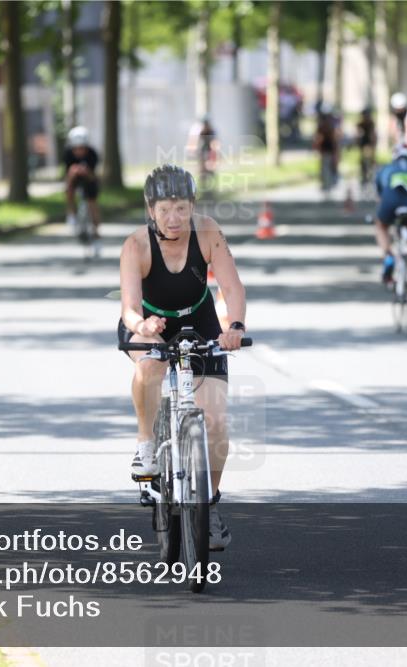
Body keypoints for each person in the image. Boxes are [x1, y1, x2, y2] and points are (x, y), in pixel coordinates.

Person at [118, 164, 247, 551]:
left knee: (217, 421)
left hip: (199, 320)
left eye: (181, 208)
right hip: (150, 322)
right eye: (164, 210)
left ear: (192, 206)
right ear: (150, 209)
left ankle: (210, 504)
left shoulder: (208, 232)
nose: (173, 218)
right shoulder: (136, 246)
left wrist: (234, 326)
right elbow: (129, 309)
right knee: (150, 365)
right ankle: (146, 444)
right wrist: (143, 325)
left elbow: (232, 287)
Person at [373, 143, 407, 322]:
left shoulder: (386, 170)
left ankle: (388, 255)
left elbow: (380, 196)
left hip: (391, 203)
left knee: (380, 225)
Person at [63, 126, 102, 253]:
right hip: (74, 179)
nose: (79, 151)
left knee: (92, 202)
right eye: (76, 148)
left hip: (89, 178)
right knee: (68, 189)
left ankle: (96, 234)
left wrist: (86, 172)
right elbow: (67, 174)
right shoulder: (67, 154)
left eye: (82, 148)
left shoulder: (92, 154)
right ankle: (71, 214)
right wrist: (73, 172)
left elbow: (93, 176)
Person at [312, 105, 341, 196]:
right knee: (327, 167)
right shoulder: (328, 127)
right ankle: (327, 184)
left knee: (327, 167)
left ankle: (328, 184)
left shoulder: (326, 127)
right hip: (327, 150)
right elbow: (319, 139)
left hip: (328, 150)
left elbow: (319, 139)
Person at [186, 115, 220, 190]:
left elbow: (215, 143)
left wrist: (214, 155)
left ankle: (212, 186)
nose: (206, 126)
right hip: (202, 150)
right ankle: (203, 185)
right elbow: (194, 142)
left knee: (211, 168)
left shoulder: (212, 131)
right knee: (202, 169)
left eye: (207, 124)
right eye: (205, 124)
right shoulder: (199, 131)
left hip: (210, 150)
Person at [356, 106, 377, 185]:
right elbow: (358, 136)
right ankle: (364, 177)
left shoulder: (371, 124)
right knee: (363, 162)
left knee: (369, 161)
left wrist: (373, 146)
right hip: (363, 145)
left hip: (369, 145)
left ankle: (369, 176)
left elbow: (373, 136)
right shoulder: (360, 124)